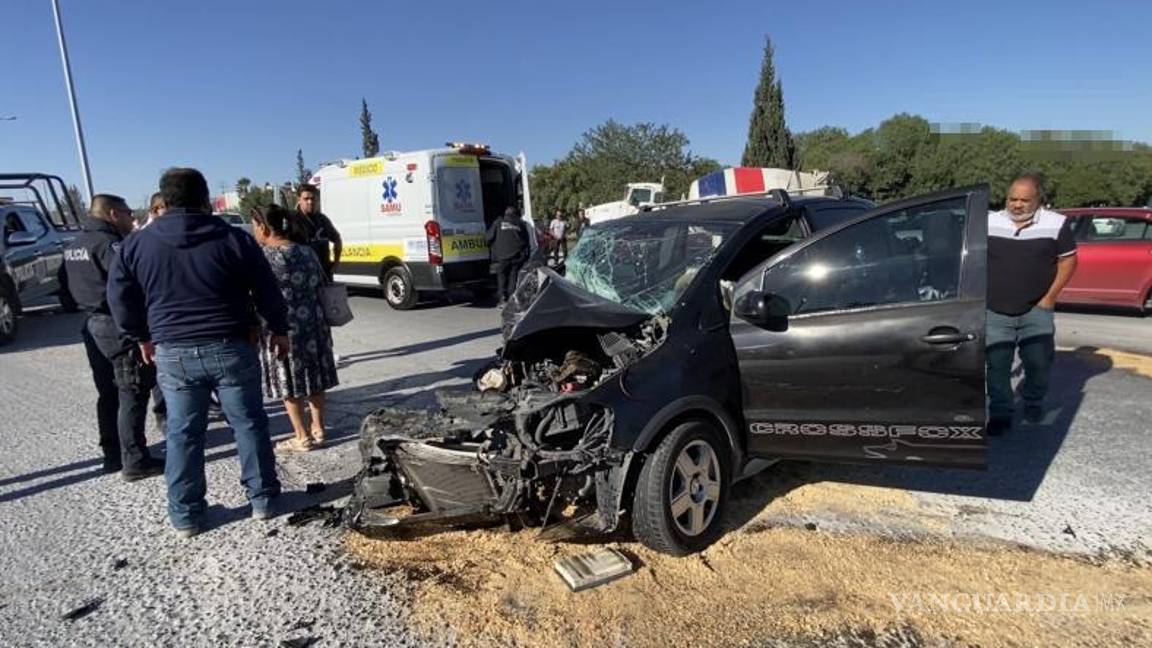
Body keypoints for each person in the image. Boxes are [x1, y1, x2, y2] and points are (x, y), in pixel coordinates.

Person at [108, 168, 290, 538]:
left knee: (183, 434)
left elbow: (119, 298)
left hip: (173, 353)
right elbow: (266, 288)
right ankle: (263, 500)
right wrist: (279, 328)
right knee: (249, 423)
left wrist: (140, 335)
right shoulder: (233, 238)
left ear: (163, 200)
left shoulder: (137, 244)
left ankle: (187, 515)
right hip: (231, 345)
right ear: (205, 199)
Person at [63, 194, 165, 480]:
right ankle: (134, 460)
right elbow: (129, 284)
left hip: (91, 324)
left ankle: (112, 455)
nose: (131, 217)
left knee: (108, 392)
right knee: (131, 390)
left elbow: (63, 286)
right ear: (111, 214)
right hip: (116, 325)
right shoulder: (110, 245)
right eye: (126, 212)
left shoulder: (74, 245)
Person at [985, 173, 1078, 436]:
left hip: (1036, 311)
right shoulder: (989, 222)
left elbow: (1068, 261)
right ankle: (1001, 412)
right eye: (1012, 199)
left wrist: (1049, 298)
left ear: (1038, 200)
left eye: (1024, 200)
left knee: (1038, 363)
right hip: (995, 310)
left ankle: (1033, 402)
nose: (1016, 205)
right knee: (997, 365)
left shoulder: (1056, 224)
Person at [250, 204, 339, 452]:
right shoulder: (307, 252)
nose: (254, 231)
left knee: (288, 380)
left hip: (282, 329)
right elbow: (321, 282)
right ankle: (319, 429)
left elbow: (255, 295)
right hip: (314, 324)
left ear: (264, 227)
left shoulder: (263, 257)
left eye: (255, 226)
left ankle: (302, 436)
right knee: (315, 377)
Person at [287, 184, 342, 281]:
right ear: (299, 200)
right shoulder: (292, 219)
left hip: (324, 275)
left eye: (313, 198)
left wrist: (336, 263)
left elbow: (337, 238)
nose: (310, 202)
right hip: (303, 278)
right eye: (306, 199)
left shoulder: (322, 220)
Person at [486, 206, 530, 305]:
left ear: (505, 214)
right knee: (513, 277)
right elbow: (526, 241)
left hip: (502, 256)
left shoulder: (498, 222)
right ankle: (511, 298)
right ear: (515, 214)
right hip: (516, 256)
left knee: (501, 277)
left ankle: (502, 299)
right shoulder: (520, 224)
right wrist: (526, 256)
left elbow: (488, 238)